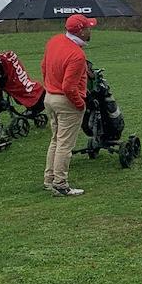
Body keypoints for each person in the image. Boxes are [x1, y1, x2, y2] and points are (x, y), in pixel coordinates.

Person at [41, 14, 96, 197]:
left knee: (56, 140)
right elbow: (69, 87)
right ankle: (60, 184)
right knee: (65, 145)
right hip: (66, 102)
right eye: (88, 28)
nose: (90, 30)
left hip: (50, 98)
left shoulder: (54, 41)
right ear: (80, 31)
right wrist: (80, 104)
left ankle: (49, 180)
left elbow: (44, 67)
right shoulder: (77, 55)